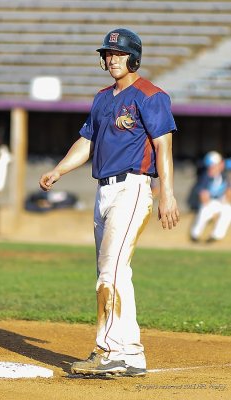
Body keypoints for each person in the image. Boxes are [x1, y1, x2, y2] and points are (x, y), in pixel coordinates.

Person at [39, 28, 179, 377]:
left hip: (132, 188)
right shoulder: (102, 98)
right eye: (107, 54)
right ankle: (130, 354)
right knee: (116, 273)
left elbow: (163, 146)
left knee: (110, 273)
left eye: (118, 53)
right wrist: (59, 170)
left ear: (134, 57)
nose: (111, 59)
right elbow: (87, 141)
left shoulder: (151, 95)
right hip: (103, 190)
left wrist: (168, 194)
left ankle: (109, 350)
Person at [190, 151, 231, 243]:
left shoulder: (224, 175)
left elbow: (228, 193)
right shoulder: (206, 177)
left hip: (220, 202)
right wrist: (213, 215)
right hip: (209, 203)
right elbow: (204, 197)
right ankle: (195, 235)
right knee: (204, 211)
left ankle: (216, 236)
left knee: (228, 209)